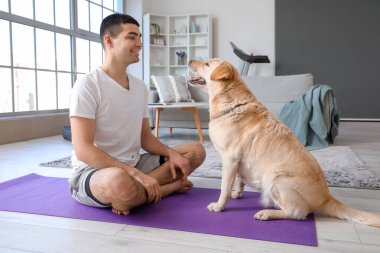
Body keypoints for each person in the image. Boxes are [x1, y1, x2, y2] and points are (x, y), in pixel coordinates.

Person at [69, 13, 206, 215]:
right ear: (109, 41)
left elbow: (145, 137)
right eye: (132, 37)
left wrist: (171, 153)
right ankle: (167, 189)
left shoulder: (139, 87)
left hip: (135, 164)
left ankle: (136, 195)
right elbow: (82, 149)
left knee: (195, 151)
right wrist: (134, 174)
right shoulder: (87, 85)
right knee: (120, 183)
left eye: (140, 37)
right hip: (94, 171)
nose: (140, 43)